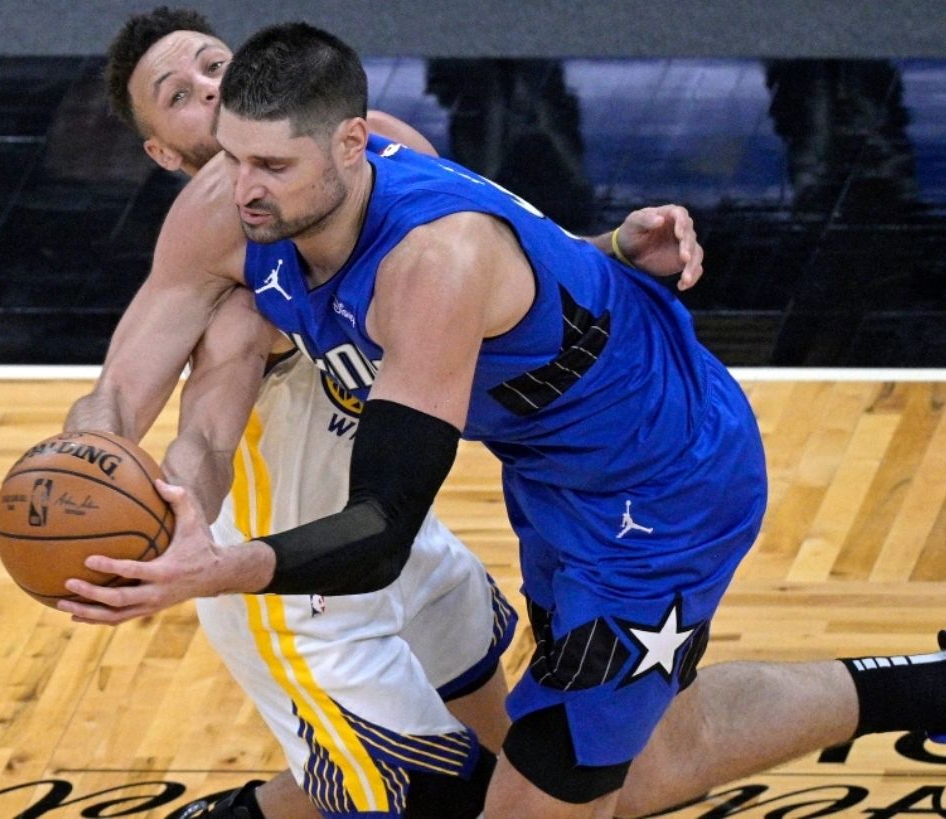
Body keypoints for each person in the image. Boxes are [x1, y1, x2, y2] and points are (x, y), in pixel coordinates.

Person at [63, 21, 946, 819]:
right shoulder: (239, 213)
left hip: (661, 487)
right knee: (638, 763)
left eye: (268, 165)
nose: (241, 189)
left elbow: (380, 527)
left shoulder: (430, 261)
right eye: (224, 153)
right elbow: (135, 395)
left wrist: (211, 566)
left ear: (350, 142)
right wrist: (79, 467)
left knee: (556, 793)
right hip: (556, 474)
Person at [66, 9, 707, 818]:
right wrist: (98, 487)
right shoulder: (223, 268)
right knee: (448, 800)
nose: (212, 88)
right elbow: (175, 422)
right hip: (294, 586)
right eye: (181, 96)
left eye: (214, 65)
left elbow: (483, 252)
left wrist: (604, 249)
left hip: (394, 535)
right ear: (163, 151)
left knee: (511, 767)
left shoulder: (379, 159)